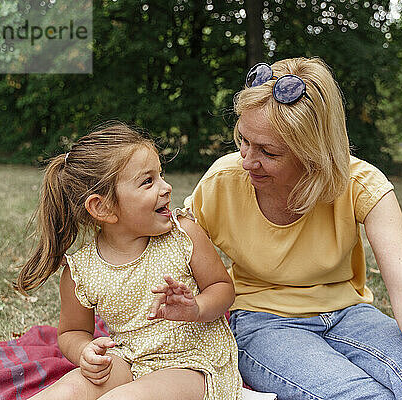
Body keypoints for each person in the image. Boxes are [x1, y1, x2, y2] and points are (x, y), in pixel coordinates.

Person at [184, 58, 402, 399]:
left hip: (350, 314)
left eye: (268, 152)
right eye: (243, 139)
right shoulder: (222, 181)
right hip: (265, 321)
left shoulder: (361, 183)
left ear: (312, 152)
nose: (246, 160)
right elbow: (171, 251)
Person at [15, 123, 242, 400]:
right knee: (66, 391)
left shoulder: (183, 233)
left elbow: (223, 288)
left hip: (193, 364)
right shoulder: (81, 270)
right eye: (148, 181)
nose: (166, 187)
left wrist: (196, 308)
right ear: (103, 207)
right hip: (129, 359)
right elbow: (73, 331)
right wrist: (85, 351)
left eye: (161, 175)